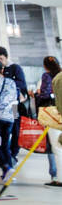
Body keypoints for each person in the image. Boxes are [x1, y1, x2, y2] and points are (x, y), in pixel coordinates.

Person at [0, 46, 29, 165]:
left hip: (14, 105)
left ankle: (13, 152)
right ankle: (5, 152)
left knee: (15, 127)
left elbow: (22, 83)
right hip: (0, 106)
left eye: (1, 58)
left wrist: (7, 81)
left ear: (6, 57)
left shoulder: (14, 68)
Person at [38, 56, 60, 185]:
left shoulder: (47, 76)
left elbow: (45, 94)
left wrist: (37, 94)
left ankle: (55, 175)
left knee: (52, 145)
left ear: (45, 66)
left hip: (52, 113)